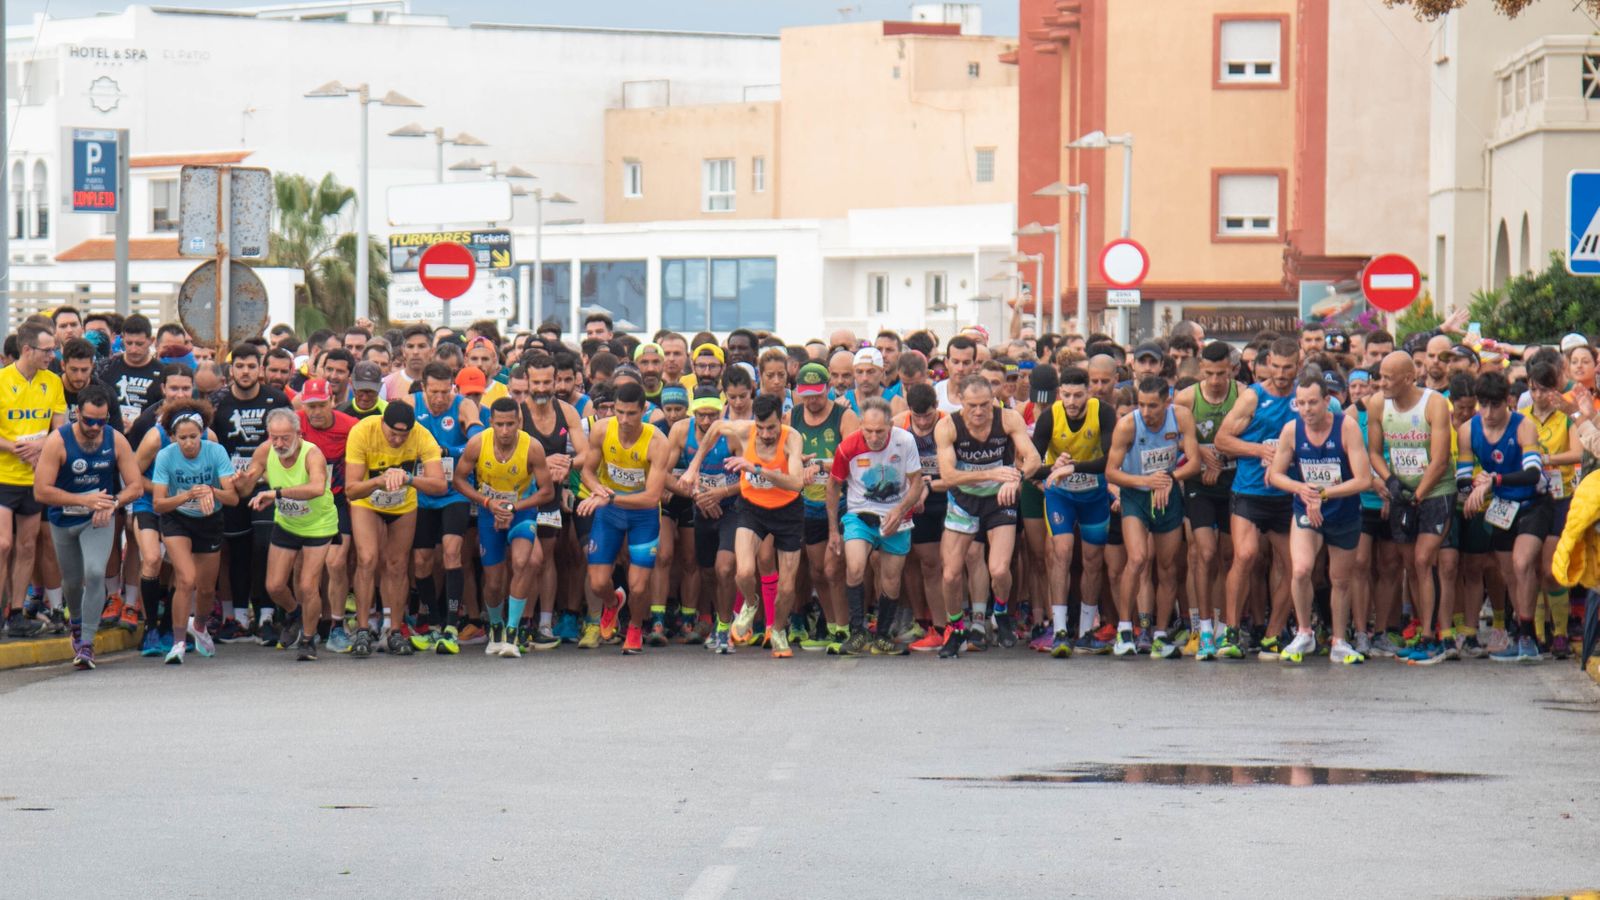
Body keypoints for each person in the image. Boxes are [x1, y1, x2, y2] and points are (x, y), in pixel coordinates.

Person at [31, 385, 143, 670]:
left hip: (98, 519)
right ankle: (77, 623)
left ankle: (87, 643)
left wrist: (112, 503)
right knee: (71, 581)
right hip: (63, 519)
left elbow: (136, 486)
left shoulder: (115, 440)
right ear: (77, 414)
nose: (94, 427)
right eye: (88, 420)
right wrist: (82, 499)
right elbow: (41, 491)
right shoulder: (58, 441)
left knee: (94, 573)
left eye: (101, 421)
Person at [1266, 373, 1372, 664]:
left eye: (1312, 402)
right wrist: (1300, 488)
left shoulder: (1346, 427)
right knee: (1300, 570)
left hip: (1343, 511)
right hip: (1306, 509)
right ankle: (1304, 632)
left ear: (1328, 401)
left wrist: (1324, 493)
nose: (1307, 409)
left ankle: (1339, 640)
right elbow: (1275, 474)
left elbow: (1363, 480)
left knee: (1339, 579)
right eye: (1300, 403)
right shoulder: (1291, 430)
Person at [934, 374, 1041, 658]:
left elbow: (1033, 458)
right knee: (950, 573)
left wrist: (1015, 478)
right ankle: (956, 628)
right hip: (964, 500)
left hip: (999, 499)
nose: (979, 412)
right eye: (972, 406)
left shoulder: (1007, 419)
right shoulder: (947, 426)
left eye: (984, 405)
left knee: (999, 569)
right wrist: (991, 473)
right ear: (961, 402)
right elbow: (948, 475)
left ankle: (1002, 611)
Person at [1366, 351, 1456, 663]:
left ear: (1407, 378)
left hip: (1435, 491)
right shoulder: (1378, 403)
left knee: (1422, 560)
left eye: (1388, 378)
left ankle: (1434, 637)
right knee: (1410, 566)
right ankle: (1423, 629)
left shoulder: (1433, 404)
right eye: (1380, 376)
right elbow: (1375, 452)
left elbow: (1441, 459)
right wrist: (1390, 480)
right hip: (1402, 490)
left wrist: (1417, 494)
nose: (1382, 383)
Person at [1215, 337, 1301, 659]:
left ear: (1298, 366)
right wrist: (1259, 450)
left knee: (1295, 565)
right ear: (1266, 365)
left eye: (1287, 368)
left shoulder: (1303, 398)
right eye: (1275, 367)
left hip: (1287, 493)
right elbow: (1222, 439)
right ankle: (1231, 632)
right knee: (1246, 556)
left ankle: (1273, 634)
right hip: (1250, 490)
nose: (1280, 373)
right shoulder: (1254, 396)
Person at [1105, 376, 1202, 659]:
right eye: (1142, 405)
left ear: (1167, 402)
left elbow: (1194, 462)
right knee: (1136, 559)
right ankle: (1126, 630)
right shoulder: (1127, 425)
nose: (1147, 412)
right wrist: (1146, 483)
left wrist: (1168, 478)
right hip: (1136, 493)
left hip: (1167, 492)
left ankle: (1160, 633)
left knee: (1168, 566)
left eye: (1154, 406)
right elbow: (1111, 472)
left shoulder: (1181, 417)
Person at [344, 403, 448, 657]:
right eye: (393, 433)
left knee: (397, 565)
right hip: (368, 502)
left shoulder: (422, 436)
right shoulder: (362, 431)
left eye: (404, 435)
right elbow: (351, 489)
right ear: (382, 423)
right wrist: (379, 480)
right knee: (367, 559)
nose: (398, 439)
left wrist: (409, 478)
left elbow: (440, 485)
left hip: (402, 503)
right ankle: (362, 629)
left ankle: (394, 630)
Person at [454, 397, 555, 657]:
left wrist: (513, 508)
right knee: (494, 581)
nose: (506, 430)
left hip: (521, 511)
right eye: (500, 424)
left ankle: (512, 631)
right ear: (491, 423)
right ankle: (496, 626)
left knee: (523, 562)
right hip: (489, 513)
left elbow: (546, 491)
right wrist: (488, 503)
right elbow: (458, 480)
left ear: (520, 422)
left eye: (511, 424)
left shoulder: (532, 447)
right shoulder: (478, 443)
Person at [576, 381, 673, 654]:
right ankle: (612, 603)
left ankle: (634, 628)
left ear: (643, 411)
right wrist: (596, 489)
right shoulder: (602, 429)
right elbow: (588, 471)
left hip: (642, 514)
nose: (624, 419)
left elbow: (652, 497)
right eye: (619, 412)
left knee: (639, 587)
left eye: (631, 413)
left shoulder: (657, 442)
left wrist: (609, 498)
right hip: (610, 511)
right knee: (597, 582)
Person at [1459, 371, 1547, 663]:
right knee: (1510, 574)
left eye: (1495, 405)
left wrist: (1491, 481)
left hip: (1533, 502)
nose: (1488, 413)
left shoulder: (1524, 427)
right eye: (1482, 405)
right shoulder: (1468, 430)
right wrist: (1474, 488)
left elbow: (1533, 473)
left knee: (1523, 564)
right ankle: (1524, 632)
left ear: (1508, 402)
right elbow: (1462, 478)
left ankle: (1527, 636)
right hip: (1501, 507)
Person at [235, 408, 337, 661]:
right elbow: (247, 487)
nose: (279, 444)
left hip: (318, 523)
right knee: (274, 585)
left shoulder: (312, 454)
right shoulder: (264, 451)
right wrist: (240, 481)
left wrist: (276, 494)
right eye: (274, 437)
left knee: (307, 584)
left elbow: (316, 487)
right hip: (288, 522)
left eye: (285, 438)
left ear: (298, 434)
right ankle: (295, 614)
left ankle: (308, 640)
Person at [824, 398, 923, 656]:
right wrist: (833, 530)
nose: (874, 437)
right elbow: (833, 486)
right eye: (868, 431)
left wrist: (900, 511)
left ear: (890, 426)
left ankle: (882, 635)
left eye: (880, 431)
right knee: (855, 566)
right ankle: (857, 633)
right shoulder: (848, 447)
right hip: (860, 514)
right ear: (861, 426)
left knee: (891, 579)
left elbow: (916, 483)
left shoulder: (905, 441)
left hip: (896, 515)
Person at [211, 342, 293, 644]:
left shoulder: (277, 400)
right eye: (240, 366)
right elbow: (211, 444)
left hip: (267, 488)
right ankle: (236, 617)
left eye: (251, 366)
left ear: (260, 370)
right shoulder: (218, 402)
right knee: (234, 551)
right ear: (231, 370)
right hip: (231, 487)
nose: (245, 372)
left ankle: (267, 614)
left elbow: (291, 443)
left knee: (264, 546)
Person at [1035, 366, 1117, 658]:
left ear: (1089, 393)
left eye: (1078, 395)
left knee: (1094, 560)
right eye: (1067, 395)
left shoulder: (1104, 412)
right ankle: (1059, 631)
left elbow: (1110, 460)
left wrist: (1074, 467)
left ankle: (1085, 632)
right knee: (1062, 552)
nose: (1072, 401)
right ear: (1059, 394)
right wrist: (1052, 469)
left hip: (1094, 495)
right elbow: (1031, 465)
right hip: (1061, 496)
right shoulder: (1049, 417)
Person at [150, 401, 240, 665]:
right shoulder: (166, 456)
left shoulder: (216, 452)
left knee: (205, 588)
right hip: (177, 519)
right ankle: (178, 642)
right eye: (182, 438)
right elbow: (158, 503)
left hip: (209, 519)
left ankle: (199, 626)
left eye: (193, 437)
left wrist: (210, 491)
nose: (189, 443)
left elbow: (233, 498)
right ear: (172, 437)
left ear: (202, 434)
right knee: (186, 579)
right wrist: (188, 494)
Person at [406, 362, 482, 654]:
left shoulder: (463, 406)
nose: (439, 399)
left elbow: (478, 440)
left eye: (445, 391)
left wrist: (449, 451)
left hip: (454, 493)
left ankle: (452, 625)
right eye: (433, 392)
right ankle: (433, 624)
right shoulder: (410, 404)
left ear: (453, 387)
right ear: (423, 387)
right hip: (423, 494)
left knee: (451, 552)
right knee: (423, 560)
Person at [0, 321, 66, 637]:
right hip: (4, 475)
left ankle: (15, 614)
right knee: (3, 544)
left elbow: (61, 427)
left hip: (35, 477)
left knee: (27, 545)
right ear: (27, 349)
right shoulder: (2, 380)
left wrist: (41, 446)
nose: (52, 355)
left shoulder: (52, 382)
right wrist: (14, 447)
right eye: (47, 350)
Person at [1173, 341, 1237, 659]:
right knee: (1204, 553)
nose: (1214, 380)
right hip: (1199, 483)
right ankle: (1203, 629)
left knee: (1229, 557)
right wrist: (1203, 455)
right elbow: (1178, 441)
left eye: (1221, 374)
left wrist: (1220, 455)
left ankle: (1227, 628)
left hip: (1233, 482)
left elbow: (1249, 436)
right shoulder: (1186, 398)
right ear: (1201, 370)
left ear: (1232, 370)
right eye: (1209, 373)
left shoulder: (1243, 395)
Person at [295, 379, 358, 652]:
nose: (316, 412)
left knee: (335, 562)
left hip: (336, 500)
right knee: (302, 565)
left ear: (332, 401)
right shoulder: (294, 423)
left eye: (321, 405)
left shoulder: (349, 426)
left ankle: (336, 624)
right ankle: (307, 623)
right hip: (304, 500)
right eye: (311, 406)